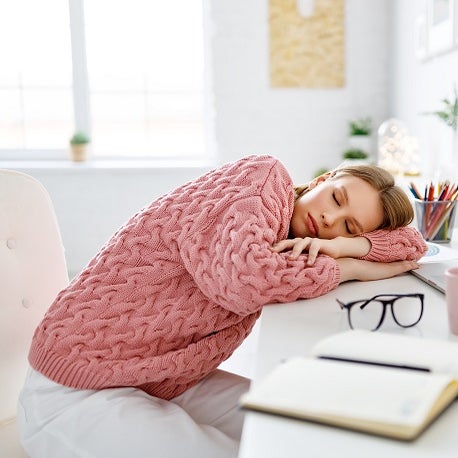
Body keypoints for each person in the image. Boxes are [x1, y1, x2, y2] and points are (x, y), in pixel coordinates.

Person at [17, 154, 427, 458]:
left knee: (302, 433)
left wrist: (344, 247)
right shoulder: (262, 180)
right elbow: (245, 278)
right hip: (75, 389)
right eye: (335, 199)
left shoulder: (298, 236)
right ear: (322, 179)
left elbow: (413, 245)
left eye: (349, 224)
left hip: (164, 378)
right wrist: (348, 269)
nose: (330, 219)